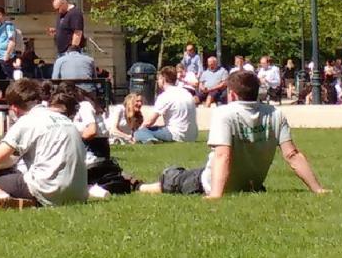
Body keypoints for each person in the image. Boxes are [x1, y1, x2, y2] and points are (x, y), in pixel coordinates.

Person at [138, 70, 328, 198]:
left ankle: (137, 186)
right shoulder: (275, 114)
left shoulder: (225, 113)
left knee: (172, 177)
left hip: (210, 182)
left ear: (233, 94)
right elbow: (292, 155)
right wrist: (318, 189)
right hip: (251, 185)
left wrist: (216, 195)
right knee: (187, 173)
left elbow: (223, 155)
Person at [0, 78, 88, 209]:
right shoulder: (63, 119)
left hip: (47, 190)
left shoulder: (26, 122)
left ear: (14, 108)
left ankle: (2, 198)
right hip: (79, 194)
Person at [134, 66, 198, 143]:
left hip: (176, 134)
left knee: (139, 132)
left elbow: (149, 122)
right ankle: (153, 139)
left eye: (158, 79)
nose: (158, 81)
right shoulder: (187, 93)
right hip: (192, 136)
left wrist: (139, 130)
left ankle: (150, 140)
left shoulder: (164, 96)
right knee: (156, 129)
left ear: (163, 79)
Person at [0, 6, 19, 81]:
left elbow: (12, 41)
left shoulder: (8, 26)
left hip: (6, 57)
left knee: (9, 78)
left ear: (0, 14)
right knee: (1, 79)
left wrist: (7, 54)